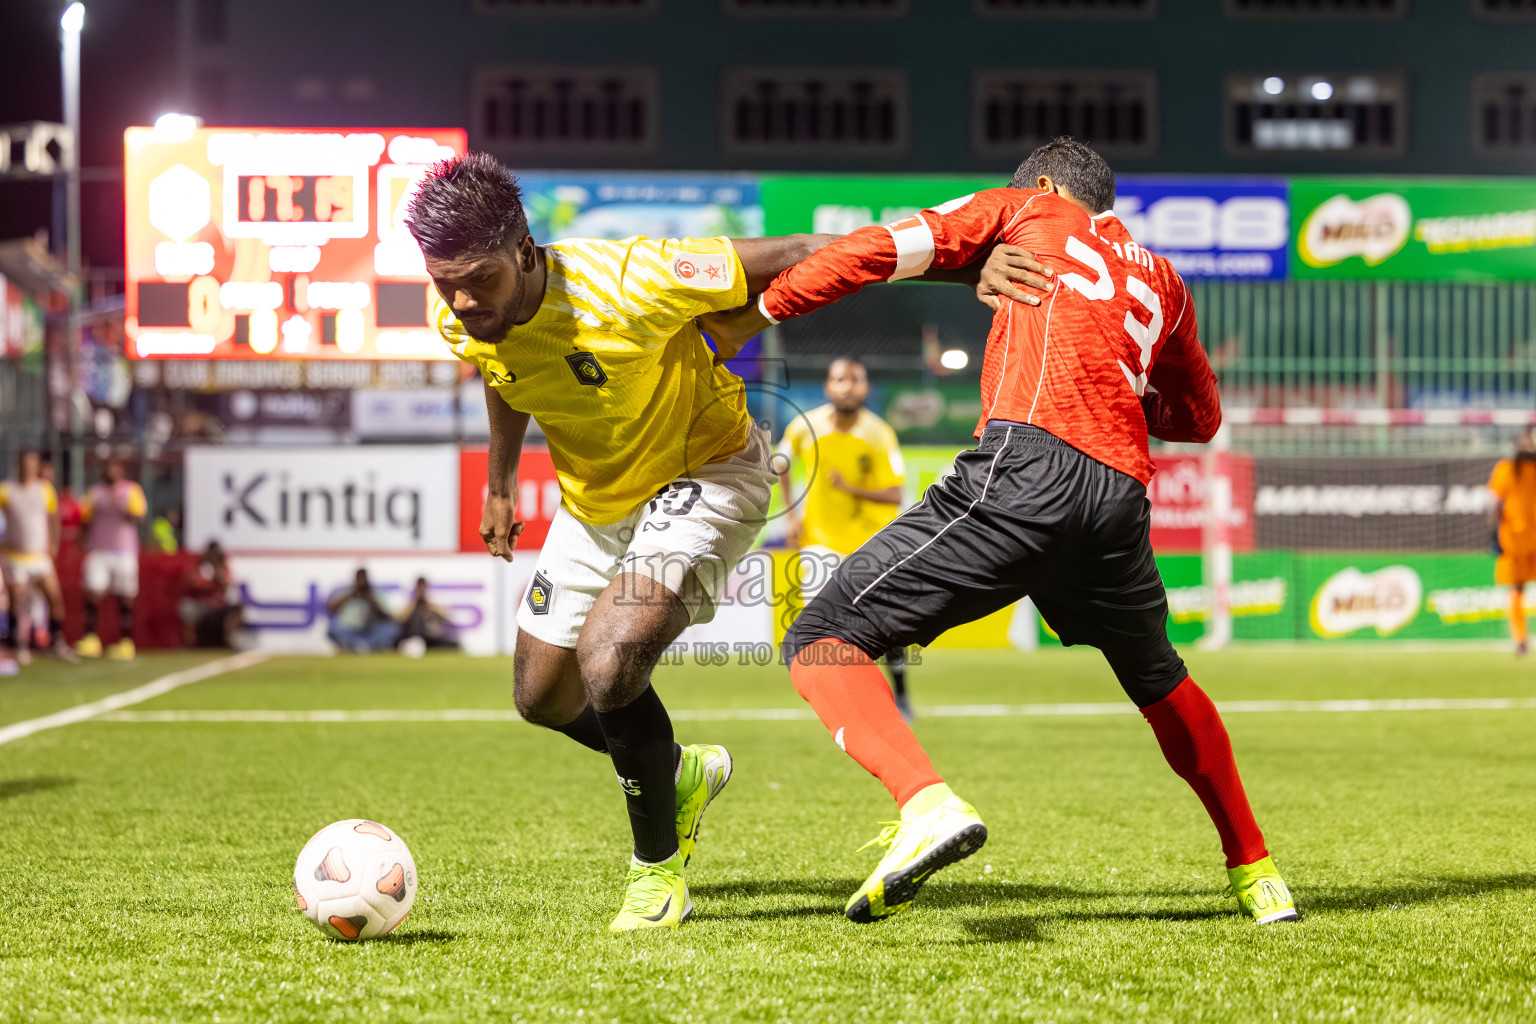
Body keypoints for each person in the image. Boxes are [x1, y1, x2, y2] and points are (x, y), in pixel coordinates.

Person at [404, 152, 1046, 931]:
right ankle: (676, 772)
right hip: (595, 501)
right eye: (446, 283)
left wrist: (967, 268)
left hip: (707, 471)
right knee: (542, 698)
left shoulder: (632, 279)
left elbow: (808, 250)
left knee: (609, 659)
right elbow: (502, 369)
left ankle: (656, 874)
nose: (463, 300)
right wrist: (501, 481)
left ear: (525, 251)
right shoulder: (462, 313)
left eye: (479, 279)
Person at [703, 136, 1298, 927]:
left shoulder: (1028, 209)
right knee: (1161, 680)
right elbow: (1200, 418)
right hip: (1119, 497)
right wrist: (1114, 376)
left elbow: (875, 248)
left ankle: (927, 804)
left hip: (1028, 468)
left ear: (1045, 183)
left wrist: (753, 316)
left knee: (821, 639)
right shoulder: (1164, 279)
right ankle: (1257, 873)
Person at [777, 358, 914, 719]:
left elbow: (895, 494)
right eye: (839, 379)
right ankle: (843, 703)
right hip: (820, 541)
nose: (847, 387)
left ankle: (901, 696)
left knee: (884, 624)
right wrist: (791, 516)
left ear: (866, 388)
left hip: (871, 543)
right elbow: (780, 463)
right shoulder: (805, 426)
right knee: (820, 627)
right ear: (827, 386)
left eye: (855, 380)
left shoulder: (879, 433)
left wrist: (849, 488)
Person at [0, 449, 76, 665]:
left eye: (33, 463)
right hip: (16, 557)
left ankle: (57, 642)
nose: (30, 468)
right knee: (17, 598)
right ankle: (17, 645)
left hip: (39, 556)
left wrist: (53, 543)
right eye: (26, 463)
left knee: (54, 597)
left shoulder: (45, 490)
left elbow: (53, 519)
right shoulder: (7, 490)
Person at [77, 456, 146, 660]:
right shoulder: (95, 492)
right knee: (93, 592)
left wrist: (120, 502)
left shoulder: (131, 490)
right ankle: (91, 639)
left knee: (125, 595)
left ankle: (126, 641)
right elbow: (85, 518)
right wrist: (82, 539)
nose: (111, 472)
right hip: (99, 549)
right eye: (108, 468)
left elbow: (139, 515)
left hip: (124, 551)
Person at [1487, 426, 1536, 656]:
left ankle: (1520, 640)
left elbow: (1495, 505)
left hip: (1514, 539)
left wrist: (1493, 534)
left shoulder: (1506, 468)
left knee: (1516, 589)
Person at [179, 540, 242, 648]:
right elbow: (191, 583)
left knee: (239, 609)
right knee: (187, 607)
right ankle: (190, 644)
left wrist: (220, 579)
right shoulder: (200, 567)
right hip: (202, 604)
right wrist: (209, 583)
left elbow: (229, 586)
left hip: (220, 605)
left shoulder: (224, 568)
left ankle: (228, 641)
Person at [326, 568, 399, 653]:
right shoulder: (346, 594)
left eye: (363, 579)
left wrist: (370, 598)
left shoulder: (376, 594)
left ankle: (362, 646)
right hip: (351, 630)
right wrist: (351, 595)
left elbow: (385, 616)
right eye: (359, 579)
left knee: (392, 629)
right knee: (334, 630)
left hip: (371, 630)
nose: (361, 582)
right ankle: (358, 645)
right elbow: (331, 609)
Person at [397, 577, 460, 652]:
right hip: (414, 637)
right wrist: (416, 604)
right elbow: (401, 619)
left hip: (430, 638)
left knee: (453, 644)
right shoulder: (410, 606)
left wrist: (430, 607)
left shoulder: (433, 605)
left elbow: (447, 617)